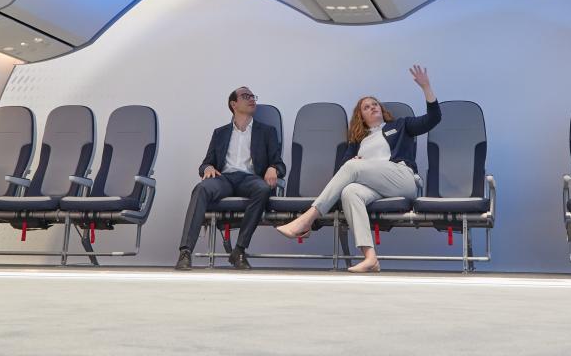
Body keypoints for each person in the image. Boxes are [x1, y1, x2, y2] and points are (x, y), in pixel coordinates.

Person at [276, 65, 441, 273]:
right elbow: (343, 170)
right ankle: (370, 257)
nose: (373, 107)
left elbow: (434, 119)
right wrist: (353, 160)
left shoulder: (400, 126)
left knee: (353, 167)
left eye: (375, 104)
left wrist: (426, 87)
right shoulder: (357, 141)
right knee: (349, 191)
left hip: (402, 179)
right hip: (377, 188)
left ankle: (306, 220)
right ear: (360, 117)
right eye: (366, 107)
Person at [176, 86, 285, 270]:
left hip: (250, 179)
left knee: (263, 189)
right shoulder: (220, 133)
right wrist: (208, 167)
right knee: (201, 189)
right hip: (224, 179)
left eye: (253, 96)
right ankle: (185, 252)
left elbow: (280, 164)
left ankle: (239, 251)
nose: (252, 99)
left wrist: (273, 168)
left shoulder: (267, 131)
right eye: (246, 96)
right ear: (234, 104)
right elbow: (205, 163)